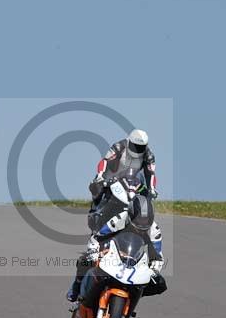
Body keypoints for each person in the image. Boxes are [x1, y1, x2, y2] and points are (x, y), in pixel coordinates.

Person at [67, 129, 166, 301]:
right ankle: (76, 286)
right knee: (98, 195)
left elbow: (151, 174)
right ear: (130, 142)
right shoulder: (119, 146)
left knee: (140, 209)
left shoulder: (149, 155)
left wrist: (152, 189)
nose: (138, 148)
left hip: (134, 188)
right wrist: (101, 177)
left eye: (141, 146)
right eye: (136, 145)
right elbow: (105, 162)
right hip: (114, 183)